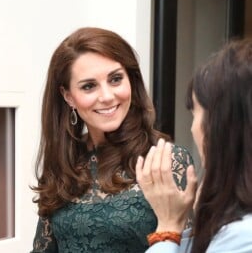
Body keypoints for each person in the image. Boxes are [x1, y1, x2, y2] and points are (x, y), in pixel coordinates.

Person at [30, 27, 194, 253]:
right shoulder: (65, 161)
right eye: (89, 86)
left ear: (131, 81)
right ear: (68, 96)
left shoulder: (167, 160)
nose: (107, 96)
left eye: (116, 79)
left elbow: (185, 248)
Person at [136, 39, 252, 253]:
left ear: (219, 125)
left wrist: (168, 226)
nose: (192, 129)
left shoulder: (243, 236)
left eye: (195, 114)